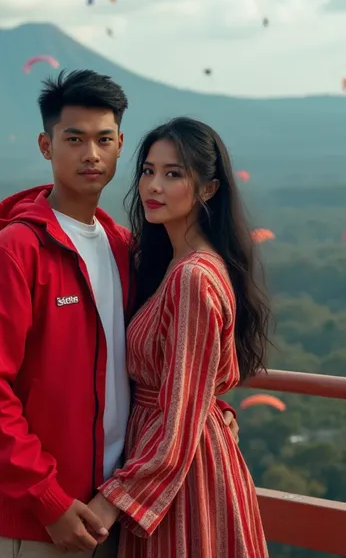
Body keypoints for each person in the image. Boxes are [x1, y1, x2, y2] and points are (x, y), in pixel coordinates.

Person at [0, 71, 239, 558]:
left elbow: (168, 357)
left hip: (118, 510)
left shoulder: (123, 248)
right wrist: (48, 501)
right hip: (44, 520)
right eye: (74, 139)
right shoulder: (14, 253)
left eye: (104, 139)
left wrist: (210, 410)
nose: (91, 153)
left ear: (120, 145)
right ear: (46, 146)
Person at [86, 117, 271, 557]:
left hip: (181, 475)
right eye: (148, 170)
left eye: (173, 174)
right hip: (176, 454)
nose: (154, 186)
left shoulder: (193, 278)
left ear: (208, 188)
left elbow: (181, 412)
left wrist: (113, 500)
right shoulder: (173, 263)